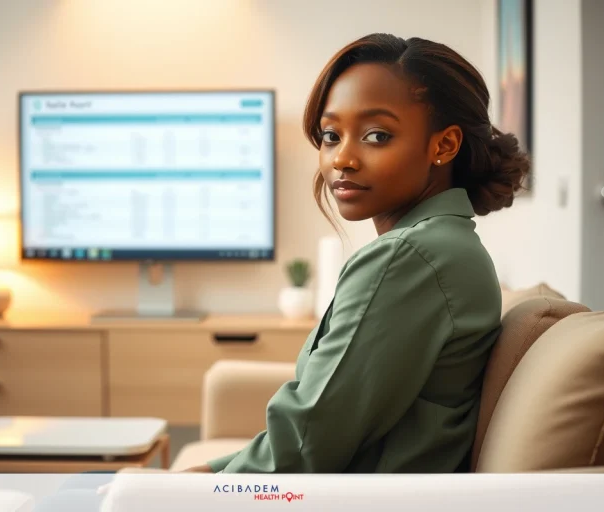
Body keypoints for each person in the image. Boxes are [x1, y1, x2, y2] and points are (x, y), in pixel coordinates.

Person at [183, 33, 530, 474]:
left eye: (376, 135)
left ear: (443, 146)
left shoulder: (411, 257)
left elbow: (301, 449)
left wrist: (185, 492)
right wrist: (204, 476)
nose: (341, 159)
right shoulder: (445, 245)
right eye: (331, 135)